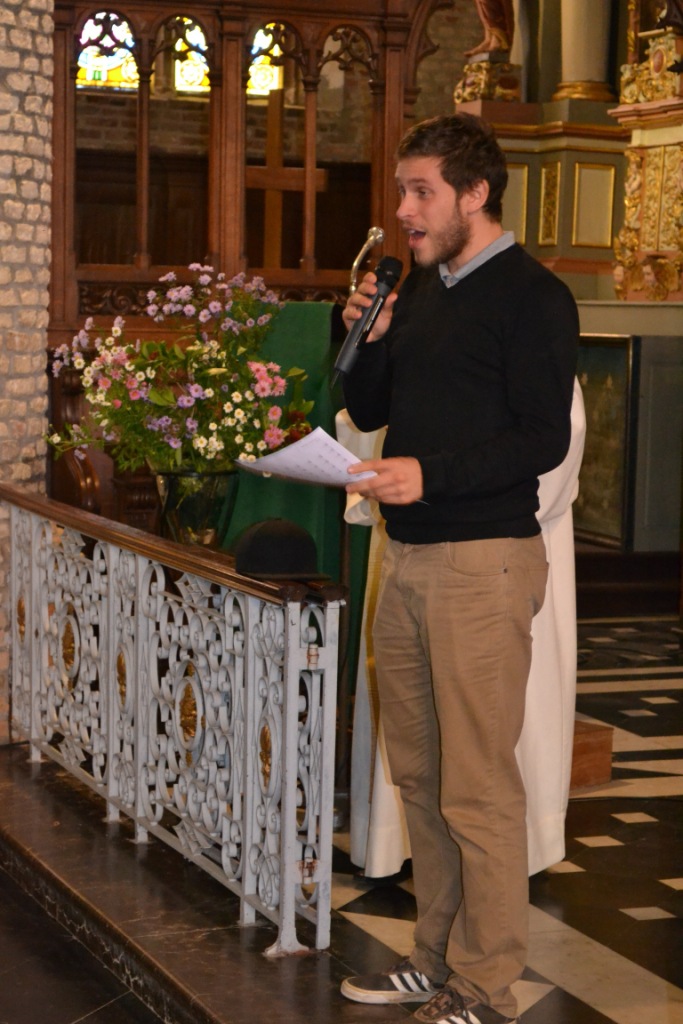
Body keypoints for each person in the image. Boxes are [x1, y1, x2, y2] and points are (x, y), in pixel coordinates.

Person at [339, 113, 578, 1024]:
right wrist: (367, 337)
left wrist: (429, 476)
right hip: (408, 557)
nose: (403, 210)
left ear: (475, 193)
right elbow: (373, 408)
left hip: (481, 563)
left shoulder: (532, 297)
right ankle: (433, 958)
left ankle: (484, 984)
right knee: (420, 776)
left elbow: (541, 439)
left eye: (421, 192)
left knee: (476, 788)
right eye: (403, 190)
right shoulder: (422, 289)